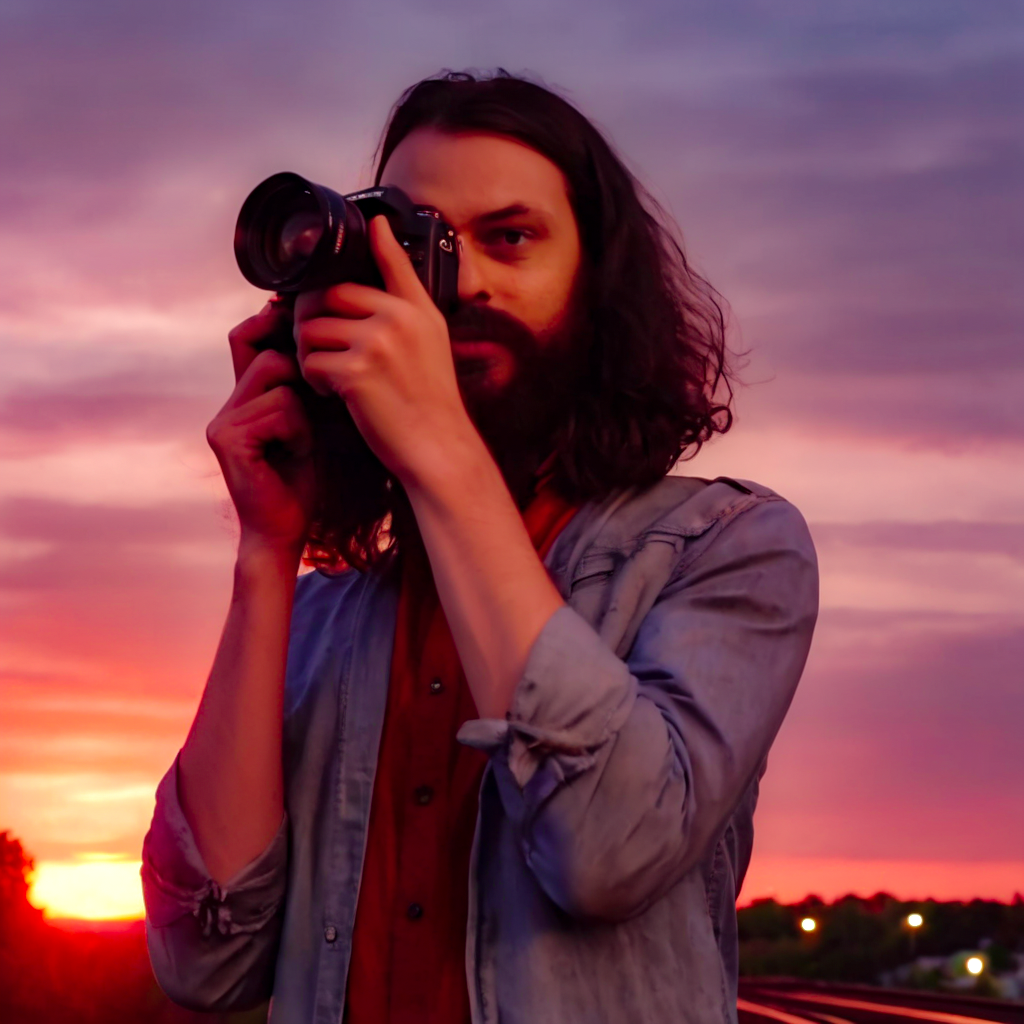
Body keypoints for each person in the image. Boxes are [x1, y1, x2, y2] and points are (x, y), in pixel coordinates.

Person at [141, 70, 818, 1024]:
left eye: (508, 238)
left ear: (597, 284)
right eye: (415, 246)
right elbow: (204, 962)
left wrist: (441, 453)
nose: (459, 286)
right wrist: (266, 549)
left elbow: (609, 851)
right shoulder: (328, 615)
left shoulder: (724, 549)